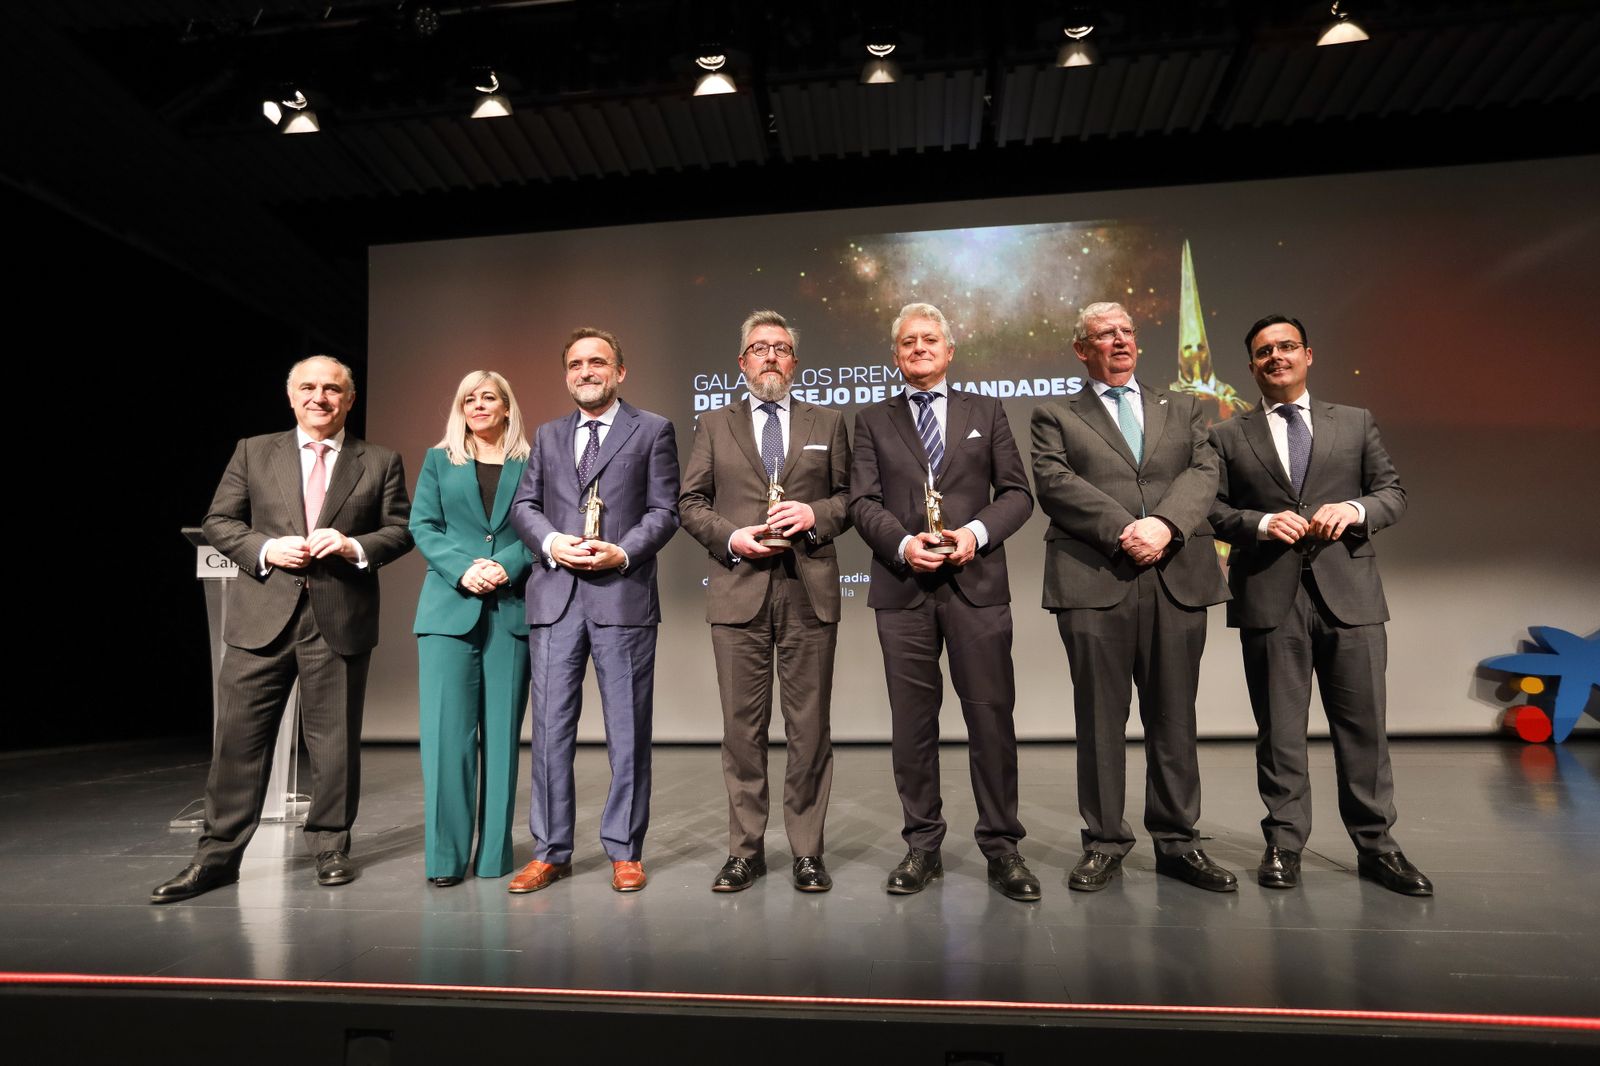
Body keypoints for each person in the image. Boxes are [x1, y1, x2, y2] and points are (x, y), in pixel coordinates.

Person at [152, 356, 413, 903]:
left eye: (333, 389)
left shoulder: (380, 461)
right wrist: (266, 548)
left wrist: (352, 545)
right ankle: (217, 858)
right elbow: (220, 521)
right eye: (309, 388)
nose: (321, 397)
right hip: (259, 619)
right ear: (291, 397)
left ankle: (330, 848)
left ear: (349, 400)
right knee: (238, 744)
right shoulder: (254, 450)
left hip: (338, 619)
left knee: (334, 745)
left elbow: (400, 530)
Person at [1208, 315, 1430, 896]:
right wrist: (1257, 523)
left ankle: (1378, 847)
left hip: (1350, 598)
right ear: (1252, 366)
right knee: (1279, 731)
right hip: (1269, 598)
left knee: (1364, 729)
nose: (1275, 357)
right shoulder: (1228, 435)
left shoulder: (1354, 423)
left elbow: (1393, 494)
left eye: (1285, 347)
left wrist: (1355, 511)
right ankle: (1284, 844)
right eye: (1263, 352)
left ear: (1308, 354)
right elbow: (1212, 510)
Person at [1030, 302, 1235, 893]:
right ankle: (1104, 841)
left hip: (1177, 574)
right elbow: (1054, 482)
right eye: (1104, 335)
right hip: (1095, 577)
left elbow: (1203, 473)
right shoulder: (1054, 413)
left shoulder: (1184, 407)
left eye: (1126, 333)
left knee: (1174, 715)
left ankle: (1177, 841)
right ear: (1081, 349)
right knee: (1099, 719)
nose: (1119, 341)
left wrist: (1166, 526)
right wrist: (1128, 528)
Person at [849, 302, 1040, 902]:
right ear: (896, 355)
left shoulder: (986, 410)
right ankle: (922, 844)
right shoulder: (872, 420)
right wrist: (906, 545)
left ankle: (1003, 847)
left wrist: (973, 536)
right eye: (908, 342)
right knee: (911, 725)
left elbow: (1016, 493)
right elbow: (861, 501)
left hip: (976, 584)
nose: (919, 348)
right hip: (903, 588)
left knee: (990, 718)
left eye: (930, 339)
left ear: (949, 350)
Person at [679, 310, 851, 893]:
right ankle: (745, 851)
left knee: (809, 730)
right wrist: (732, 537)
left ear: (794, 362)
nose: (770, 356)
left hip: (809, 589)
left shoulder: (828, 420)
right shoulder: (713, 423)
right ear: (742, 362)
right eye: (759, 348)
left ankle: (806, 851)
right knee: (741, 730)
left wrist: (815, 515)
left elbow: (850, 499)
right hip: (738, 591)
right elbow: (690, 502)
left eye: (780, 347)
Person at [507, 328, 679, 894]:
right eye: (576, 363)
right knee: (551, 732)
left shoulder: (652, 429)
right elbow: (525, 506)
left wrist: (622, 550)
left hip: (621, 596)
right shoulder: (548, 434)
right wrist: (554, 543)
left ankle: (625, 850)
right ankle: (551, 850)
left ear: (619, 371)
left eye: (598, 362)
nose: (586, 371)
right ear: (567, 374)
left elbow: (664, 511)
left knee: (627, 732)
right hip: (555, 599)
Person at [410, 370, 534, 887]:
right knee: (446, 740)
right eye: (469, 398)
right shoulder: (439, 460)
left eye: (488, 397)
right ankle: (445, 859)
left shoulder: (531, 463)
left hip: (510, 609)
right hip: (448, 609)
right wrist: (466, 568)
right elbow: (423, 525)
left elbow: (541, 524)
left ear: (507, 407)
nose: (478, 405)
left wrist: (507, 563)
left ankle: (493, 858)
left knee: (502, 739)